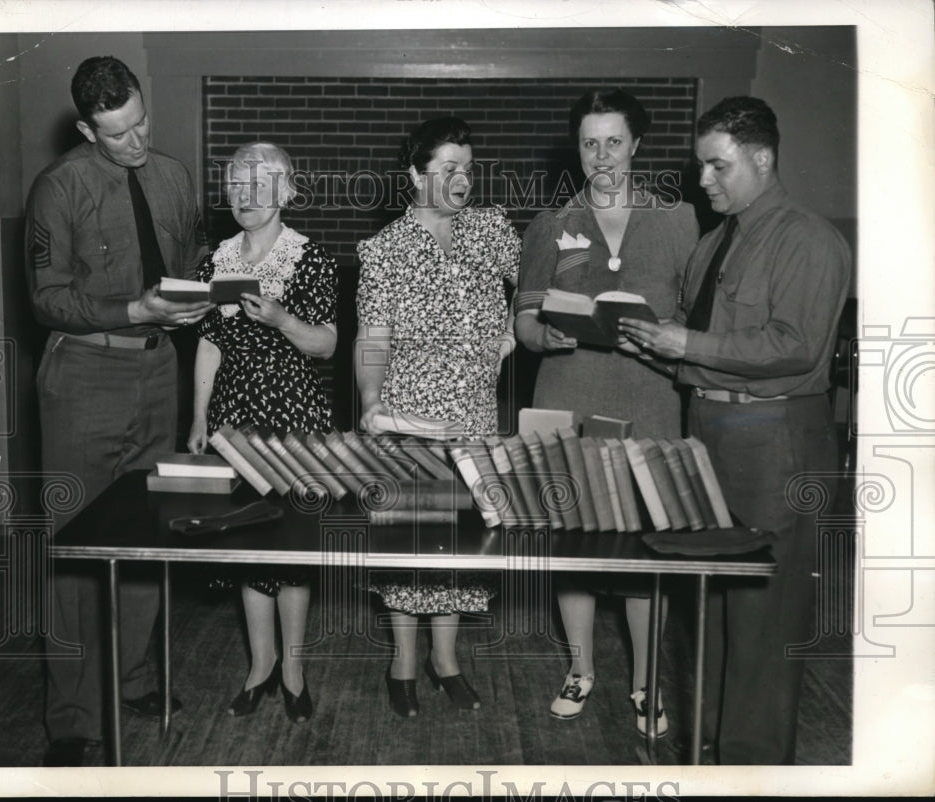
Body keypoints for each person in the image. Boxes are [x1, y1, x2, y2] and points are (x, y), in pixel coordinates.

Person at [619, 96, 851, 764]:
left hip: (773, 441)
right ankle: (710, 749)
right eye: (702, 167)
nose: (705, 181)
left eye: (719, 166)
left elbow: (794, 346)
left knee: (763, 619)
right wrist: (659, 349)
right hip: (710, 433)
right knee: (711, 610)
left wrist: (684, 339)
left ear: (763, 158)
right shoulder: (716, 242)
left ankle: (752, 768)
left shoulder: (806, 239)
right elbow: (709, 342)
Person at [25, 56, 213, 766]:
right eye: (117, 135)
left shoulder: (170, 176)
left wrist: (204, 293)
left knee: (145, 528)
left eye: (140, 125)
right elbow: (46, 296)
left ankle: (134, 678)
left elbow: (189, 253)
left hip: (158, 369)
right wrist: (132, 307)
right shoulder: (59, 188)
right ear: (85, 128)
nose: (136, 143)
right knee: (72, 543)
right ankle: (71, 720)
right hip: (83, 372)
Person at [514, 88, 698, 735]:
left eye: (613, 141)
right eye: (589, 143)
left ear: (637, 144)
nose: (601, 156)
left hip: (650, 398)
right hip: (571, 393)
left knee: (647, 546)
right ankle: (581, 668)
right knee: (578, 538)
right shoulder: (550, 223)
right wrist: (544, 334)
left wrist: (667, 329)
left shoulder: (678, 221)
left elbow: (696, 316)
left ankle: (647, 684)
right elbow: (525, 320)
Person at [354, 116, 520, 718]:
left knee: (459, 547)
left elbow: (535, 291)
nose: (461, 179)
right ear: (414, 175)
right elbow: (372, 337)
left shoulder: (491, 231)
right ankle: (402, 659)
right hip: (408, 420)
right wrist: (371, 401)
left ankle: (445, 659)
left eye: (468, 168)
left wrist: (510, 334)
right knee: (409, 543)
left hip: (475, 416)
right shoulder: (385, 250)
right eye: (447, 168)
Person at [187, 142, 337, 724]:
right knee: (249, 547)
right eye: (235, 185)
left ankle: (295, 669)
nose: (245, 198)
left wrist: (281, 319)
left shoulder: (309, 258)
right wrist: (198, 417)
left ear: (287, 192)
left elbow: (325, 343)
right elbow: (207, 342)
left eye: (259, 185)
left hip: (295, 421)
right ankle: (261, 665)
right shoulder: (214, 262)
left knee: (293, 550)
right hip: (232, 423)